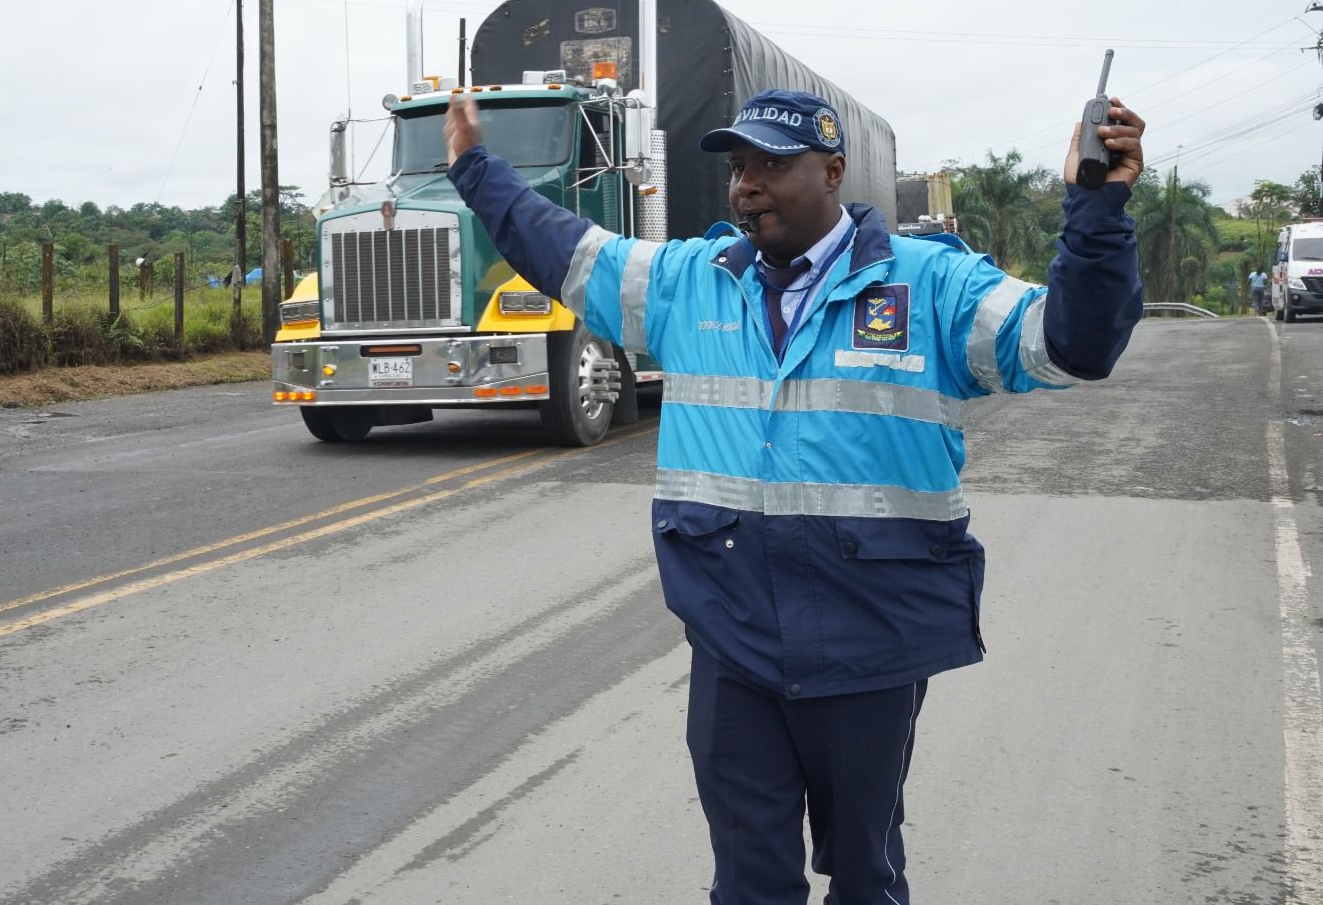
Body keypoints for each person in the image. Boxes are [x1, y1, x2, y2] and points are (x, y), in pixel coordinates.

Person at [444, 87, 1145, 904]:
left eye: (773, 164)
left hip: (869, 646)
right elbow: (562, 247)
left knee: (863, 873)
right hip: (734, 644)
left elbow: (1073, 343)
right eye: (741, 167)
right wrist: (473, 168)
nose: (748, 184)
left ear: (834, 172)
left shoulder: (931, 286)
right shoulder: (689, 282)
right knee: (749, 880)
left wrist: (1095, 207)